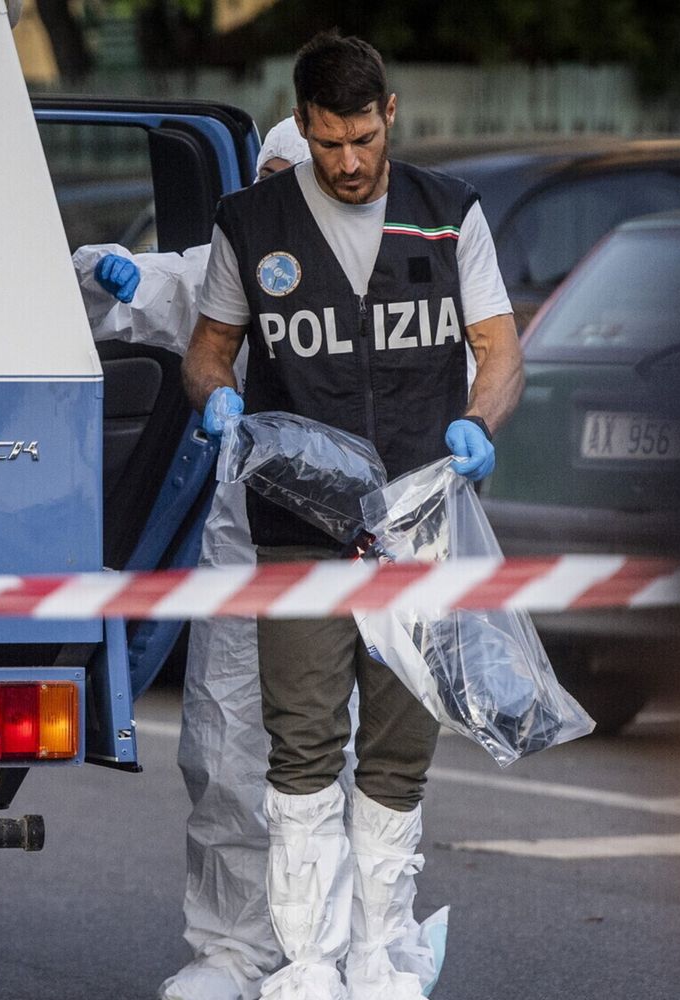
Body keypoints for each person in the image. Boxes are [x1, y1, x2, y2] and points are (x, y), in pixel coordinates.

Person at [182, 31, 523, 1000]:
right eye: (329, 142)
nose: (347, 162)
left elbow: (499, 347)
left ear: (390, 115)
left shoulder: (449, 215)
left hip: (420, 522)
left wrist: (478, 423)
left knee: (400, 749)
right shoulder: (252, 222)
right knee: (301, 745)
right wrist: (215, 396)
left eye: (363, 139)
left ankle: (379, 955)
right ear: (304, 123)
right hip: (298, 522)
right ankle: (307, 963)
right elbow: (210, 347)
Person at [72, 123, 313, 1000]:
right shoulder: (233, 263)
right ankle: (232, 953)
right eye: (268, 178)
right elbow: (128, 288)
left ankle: (353, 950)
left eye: (294, 178)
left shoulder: (388, 267)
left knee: (351, 763)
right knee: (225, 745)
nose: (277, 196)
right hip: (248, 544)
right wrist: (107, 270)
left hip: (360, 548)